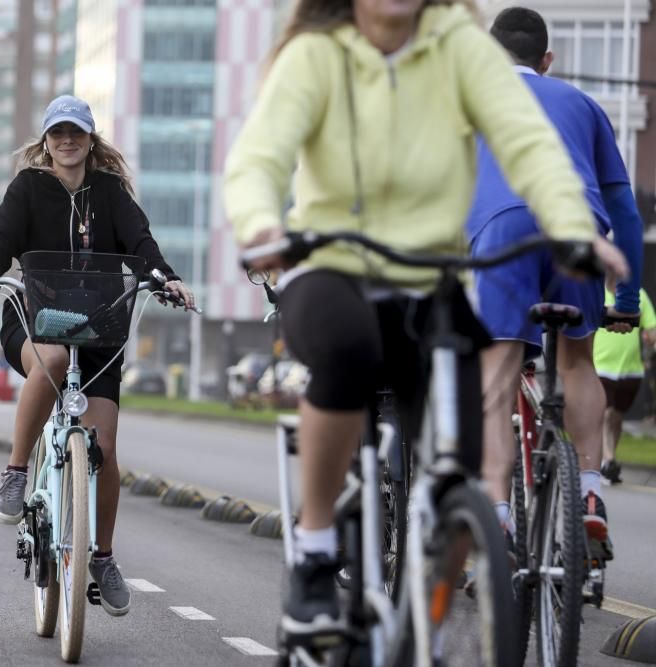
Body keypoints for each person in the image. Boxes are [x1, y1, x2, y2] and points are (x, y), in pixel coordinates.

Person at [223, 0, 627, 636]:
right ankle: (318, 548)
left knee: (466, 461)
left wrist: (574, 225)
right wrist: (262, 224)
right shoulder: (316, 56)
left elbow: (528, 144)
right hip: (334, 267)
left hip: (431, 279)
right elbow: (258, 160)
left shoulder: (460, 53)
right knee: (350, 349)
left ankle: (427, 620)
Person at [0, 94, 195, 617]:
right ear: (46, 140)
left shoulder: (110, 192)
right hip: (34, 318)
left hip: (100, 324)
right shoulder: (27, 188)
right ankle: (17, 472)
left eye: (77, 133)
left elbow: (141, 243)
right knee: (57, 360)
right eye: (58, 133)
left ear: (91, 139)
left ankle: (103, 556)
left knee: (104, 444)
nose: (67, 141)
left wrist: (166, 278)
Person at [468, 7, 644, 561]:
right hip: (577, 232)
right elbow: (627, 214)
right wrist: (629, 300)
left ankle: (497, 521)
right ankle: (590, 494)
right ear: (547, 61)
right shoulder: (584, 106)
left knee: (494, 378)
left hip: (503, 235)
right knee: (575, 363)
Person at [595, 282, 656, 484]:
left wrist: (651, 338)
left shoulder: (637, 294)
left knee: (617, 417)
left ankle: (607, 462)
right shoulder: (597, 291)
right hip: (601, 366)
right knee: (607, 413)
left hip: (631, 370)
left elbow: (652, 328)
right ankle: (609, 460)